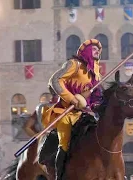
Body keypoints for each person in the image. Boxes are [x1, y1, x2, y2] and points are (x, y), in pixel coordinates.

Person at [42, 39, 103, 180]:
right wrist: (72, 99)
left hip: (86, 113)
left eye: (98, 50)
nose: (97, 51)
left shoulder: (96, 71)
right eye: (94, 49)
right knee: (65, 143)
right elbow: (55, 81)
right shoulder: (73, 65)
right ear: (86, 51)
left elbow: (96, 94)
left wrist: (96, 105)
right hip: (66, 111)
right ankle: (59, 176)